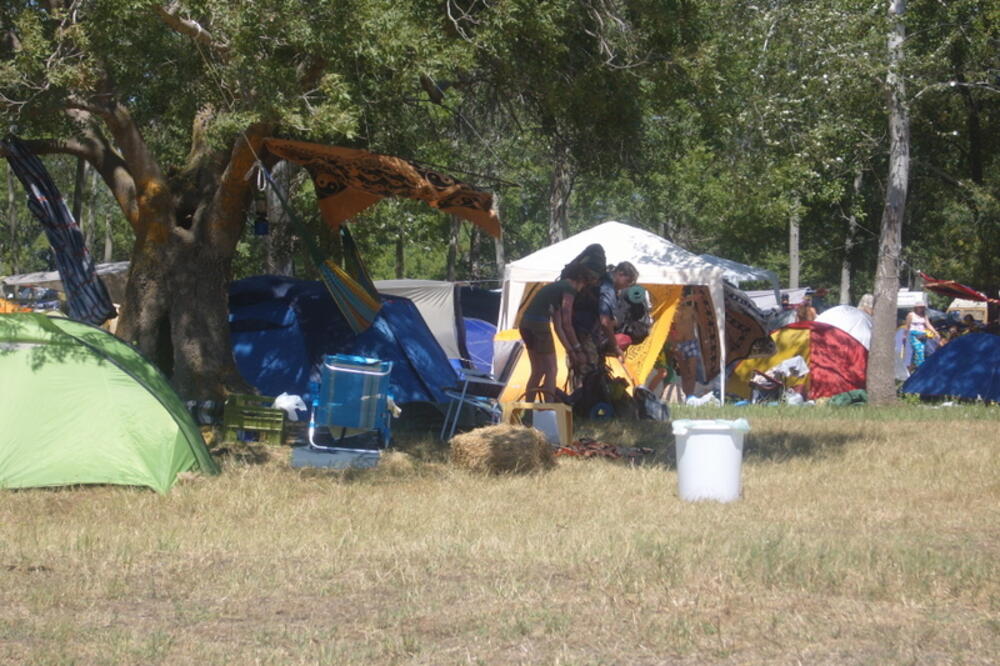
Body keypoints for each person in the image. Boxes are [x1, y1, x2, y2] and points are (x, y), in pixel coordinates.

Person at [518, 265, 592, 402]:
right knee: (551, 369)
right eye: (584, 285)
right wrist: (577, 349)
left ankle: (528, 408)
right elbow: (567, 324)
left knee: (538, 370)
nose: (582, 289)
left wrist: (571, 351)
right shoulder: (569, 289)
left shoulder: (556, 288)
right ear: (581, 280)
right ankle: (549, 409)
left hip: (525, 324)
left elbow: (559, 327)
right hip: (538, 326)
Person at [905, 303, 939, 369]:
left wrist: (935, 332)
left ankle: (913, 366)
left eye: (922, 307)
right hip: (913, 334)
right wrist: (905, 335)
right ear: (916, 307)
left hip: (922, 334)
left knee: (921, 350)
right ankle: (920, 367)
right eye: (920, 307)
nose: (921, 308)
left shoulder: (924, 315)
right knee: (919, 350)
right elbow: (907, 326)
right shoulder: (911, 315)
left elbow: (928, 325)